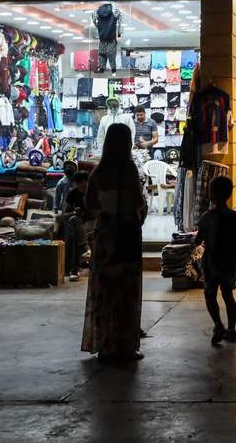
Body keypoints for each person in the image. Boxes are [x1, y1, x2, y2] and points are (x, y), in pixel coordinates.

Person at [81, 123, 148, 362]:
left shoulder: (98, 172)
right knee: (126, 291)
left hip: (105, 234)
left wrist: (104, 211)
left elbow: (89, 204)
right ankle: (125, 346)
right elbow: (138, 201)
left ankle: (105, 344)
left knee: (105, 289)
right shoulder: (128, 169)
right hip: (126, 233)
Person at [195, 176, 236, 345]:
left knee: (210, 294)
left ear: (213, 195)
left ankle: (218, 325)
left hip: (211, 263)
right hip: (228, 263)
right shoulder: (234, 217)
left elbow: (198, 239)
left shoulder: (207, 217)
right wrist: (235, 260)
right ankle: (231, 330)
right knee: (227, 295)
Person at [63, 171, 92, 282]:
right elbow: (64, 215)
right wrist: (74, 212)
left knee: (74, 233)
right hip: (79, 223)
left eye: (84, 183)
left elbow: (99, 212)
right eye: (79, 183)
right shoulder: (73, 193)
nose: (82, 185)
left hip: (92, 222)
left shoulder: (93, 193)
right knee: (73, 221)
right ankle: (86, 249)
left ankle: (74, 269)